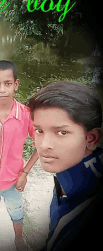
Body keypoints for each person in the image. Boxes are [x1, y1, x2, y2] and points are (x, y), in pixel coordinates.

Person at [26, 81, 103, 251]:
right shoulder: (68, 177)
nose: (44, 145)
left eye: (62, 132)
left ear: (91, 138)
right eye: (39, 131)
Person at [0, 60, 39, 251]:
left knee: (16, 209)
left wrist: (25, 173)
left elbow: (40, 145)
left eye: (8, 84)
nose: (2, 89)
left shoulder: (26, 114)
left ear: (16, 84)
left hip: (13, 179)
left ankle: (18, 238)